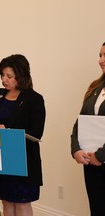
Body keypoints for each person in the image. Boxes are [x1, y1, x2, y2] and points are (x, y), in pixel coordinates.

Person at [0, 54, 46, 216]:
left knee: (21, 204)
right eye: (2, 75)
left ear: (21, 76)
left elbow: (36, 133)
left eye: (9, 76)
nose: (4, 79)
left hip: (23, 161)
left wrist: (8, 131)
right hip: (0, 159)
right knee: (6, 202)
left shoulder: (34, 99)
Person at [71, 42, 105, 216]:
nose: (101, 60)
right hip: (90, 164)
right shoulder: (95, 87)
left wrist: (101, 155)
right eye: (100, 55)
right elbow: (80, 122)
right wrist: (76, 149)